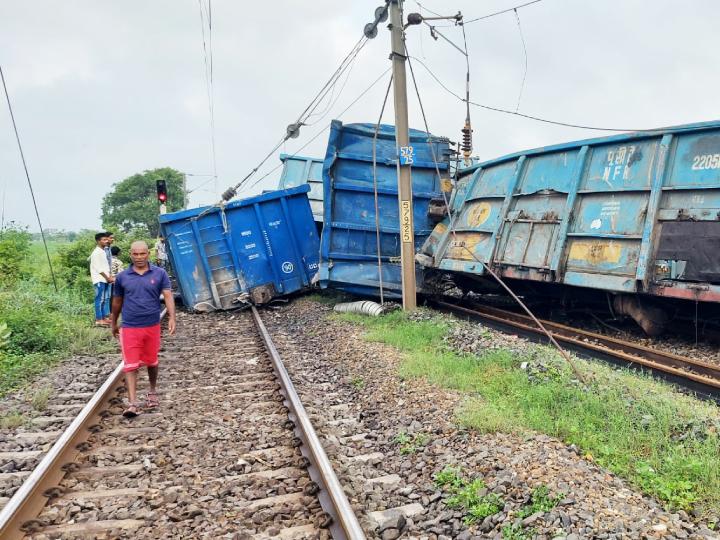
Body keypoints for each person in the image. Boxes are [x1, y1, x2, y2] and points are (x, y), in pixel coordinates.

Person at [111, 240, 176, 418]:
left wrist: (172, 317)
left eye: (143, 254)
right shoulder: (122, 277)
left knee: (152, 362)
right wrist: (113, 322)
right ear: (130, 255)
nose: (139, 257)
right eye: (135, 254)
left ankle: (152, 391)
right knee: (130, 365)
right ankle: (132, 404)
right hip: (130, 327)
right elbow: (117, 302)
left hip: (152, 325)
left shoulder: (160, 273)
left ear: (148, 254)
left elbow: (168, 296)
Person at [90, 232, 113, 326]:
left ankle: (103, 318)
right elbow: (99, 268)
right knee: (99, 299)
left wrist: (109, 277)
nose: (106, 241)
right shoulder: (96, 253)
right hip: (99, 279)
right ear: (98, 241)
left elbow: (105, 266)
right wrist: (107, 277)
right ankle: (98, 319)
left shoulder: (103, 251)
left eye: (106, 239)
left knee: (103, 299)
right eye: (104, 240)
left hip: (105, 279)